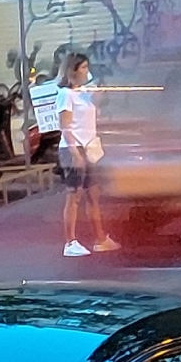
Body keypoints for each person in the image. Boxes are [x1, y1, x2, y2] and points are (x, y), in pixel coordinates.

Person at [56, 53, 116, 256]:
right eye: (83, 68)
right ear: (72, 70)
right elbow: (64, 126)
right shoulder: (66, 94)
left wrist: (98, 84)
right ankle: (70, 242)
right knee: (74, 195)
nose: (86, 71)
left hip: (90, 146)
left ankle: (100, 238)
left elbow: (101, 101)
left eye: (87, 67)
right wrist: (74, 151)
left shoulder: (86, 92)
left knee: (93, 195)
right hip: (74, 147)